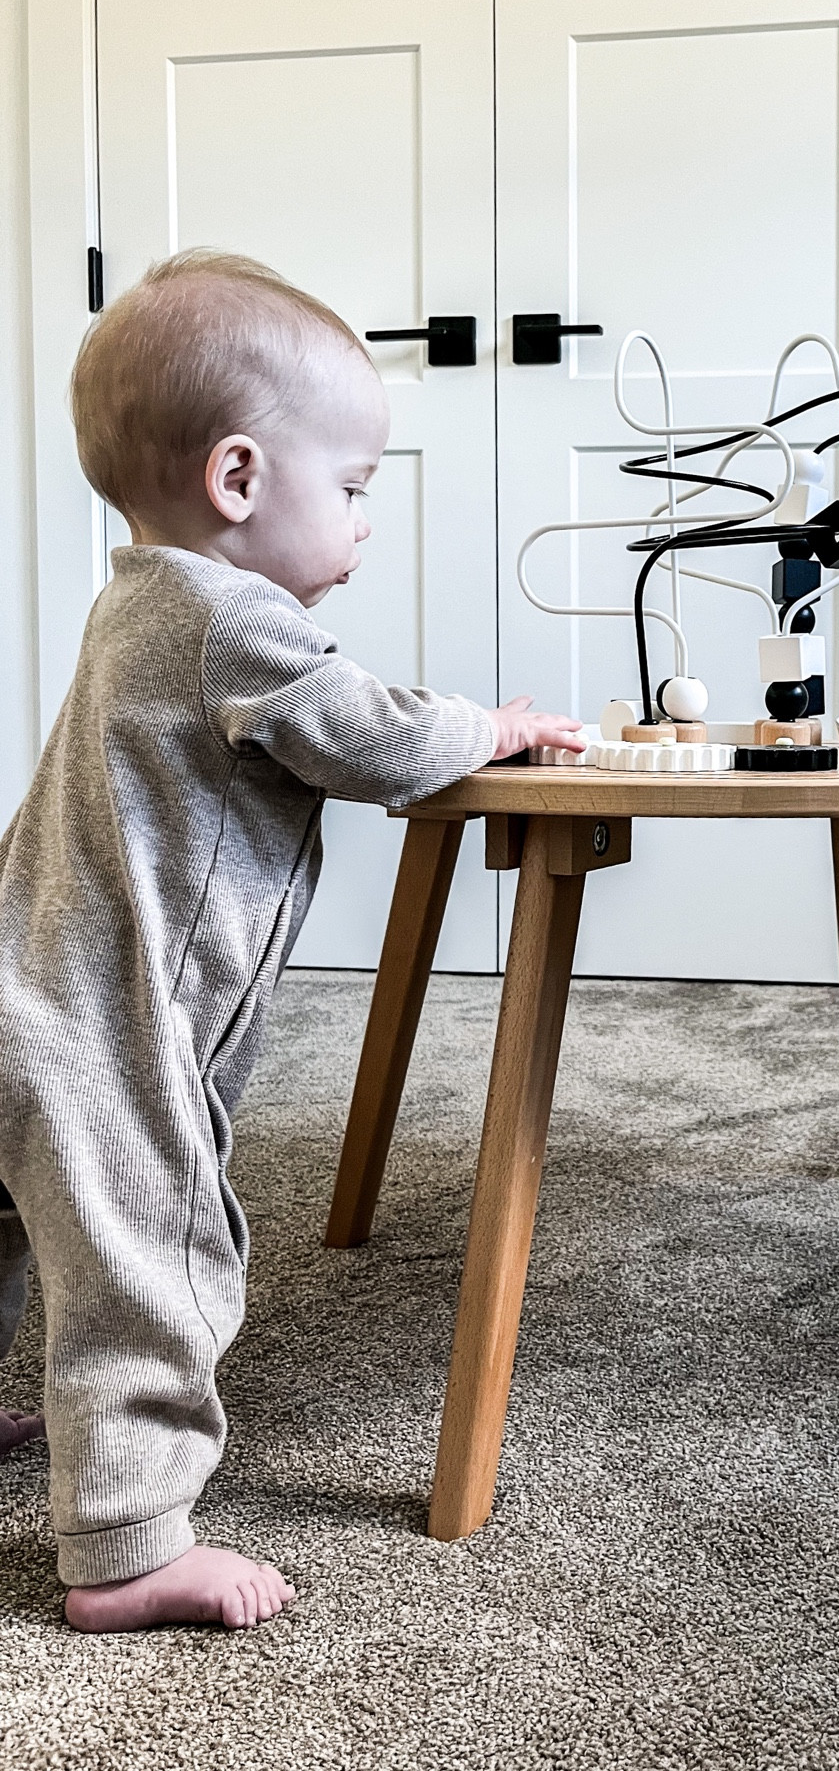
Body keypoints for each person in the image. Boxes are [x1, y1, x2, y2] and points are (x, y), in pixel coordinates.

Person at [0, 252, 583, 1632]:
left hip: (20, 985)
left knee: (16, 1230)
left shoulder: (131, 600)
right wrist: (487, 730)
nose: (368, 521)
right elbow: (366, 734)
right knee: (155, 1254)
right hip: (105, 1031)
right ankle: (130, 1545)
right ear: (241, 480)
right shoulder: (232, 619)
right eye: (358, 487)